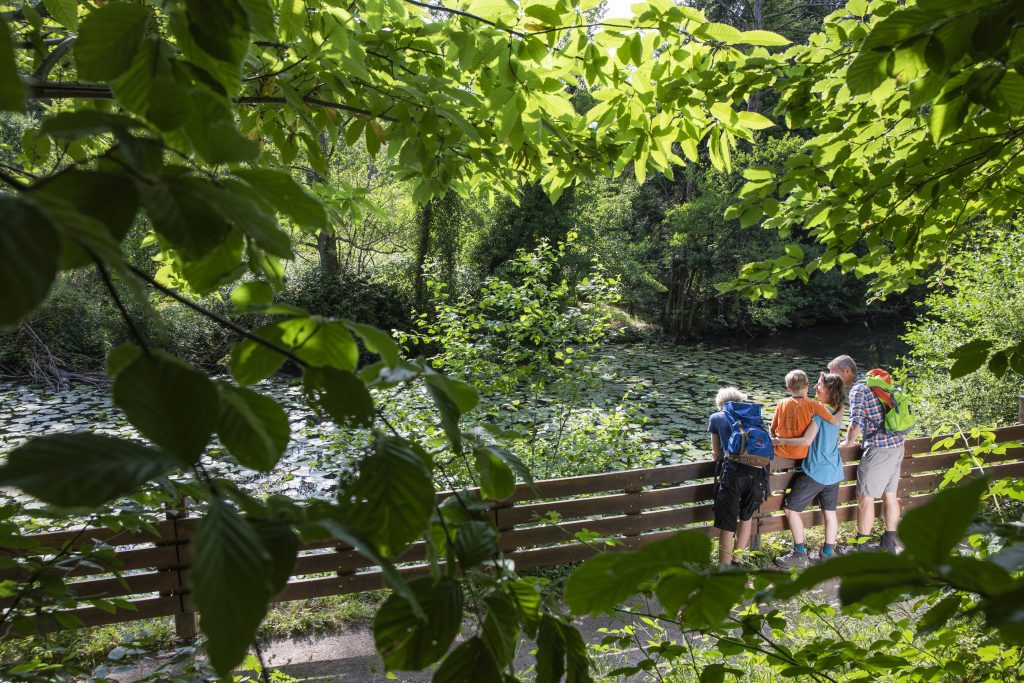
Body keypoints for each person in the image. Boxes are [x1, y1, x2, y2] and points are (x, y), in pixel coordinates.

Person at [831, 355, 905, 552]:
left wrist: (848, 442)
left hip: (879, 448)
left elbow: (856, 423)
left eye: (834, 372)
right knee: (890, 495)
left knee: (866, 497)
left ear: (846, 371)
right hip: (897, 444)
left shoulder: (858, 390)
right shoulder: (872, 384)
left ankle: (861, 546)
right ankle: (888, 543)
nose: (832, 377)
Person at [772, 373, 846, 568]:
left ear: (829, 390)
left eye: (820, 385)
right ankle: (828, 553)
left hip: (816, 471)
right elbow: (837, 419)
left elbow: (806, 441)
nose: (815, 387)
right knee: (830, 512)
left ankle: (799, 553)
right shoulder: (838, 410)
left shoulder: (817, 413)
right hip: (834, 472)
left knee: (790, 508)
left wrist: (781, 441)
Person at [708, 386, 766, 566]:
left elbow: (716, 452)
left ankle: (724, 569)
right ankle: (736, 563)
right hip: (756, 474)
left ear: (720, 403)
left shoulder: (716, 418)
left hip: (733, 476)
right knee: (746, 517)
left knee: (727, 524)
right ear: (740, 400)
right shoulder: (753, 416)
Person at [770, 370, 844, 462]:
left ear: (789, 388)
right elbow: (835, 421)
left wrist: (776, 439)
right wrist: (841, 409)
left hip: (779, 451)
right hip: (800, 454)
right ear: (807, 385)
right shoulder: (814, 405)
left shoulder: (781, 403)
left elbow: (773, 428)